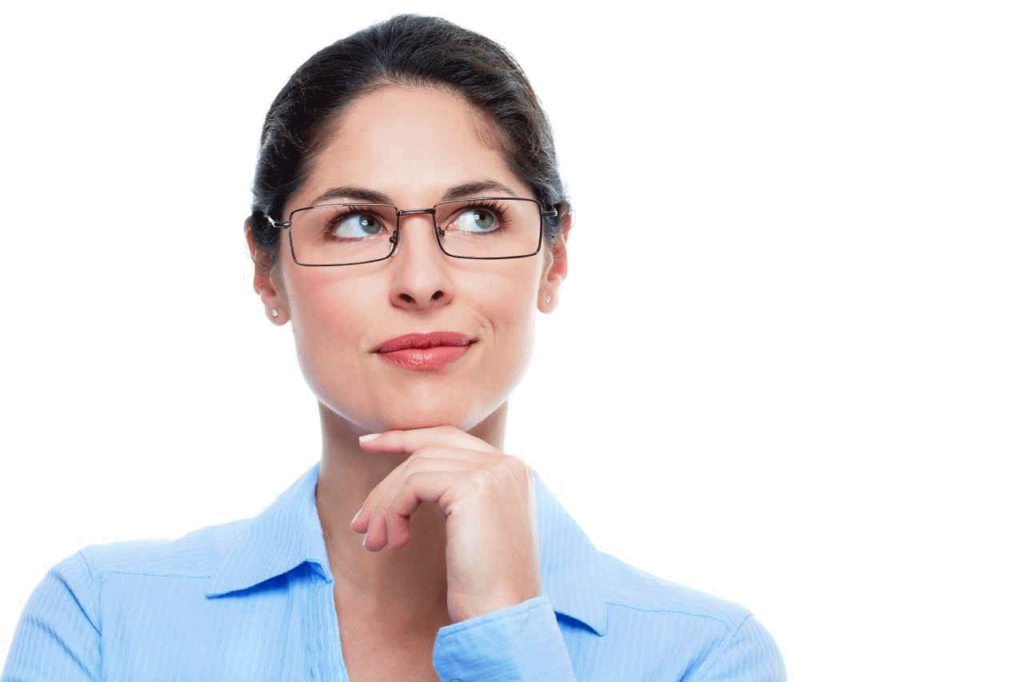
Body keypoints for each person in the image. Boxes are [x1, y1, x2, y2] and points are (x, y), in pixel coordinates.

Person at [1, 13, 788, 681]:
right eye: (358, 222)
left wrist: (509, 630)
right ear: (267, 273)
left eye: (478, 217)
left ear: (555, 258)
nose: (420, 281)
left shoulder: (708, 659)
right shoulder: (101, 622)